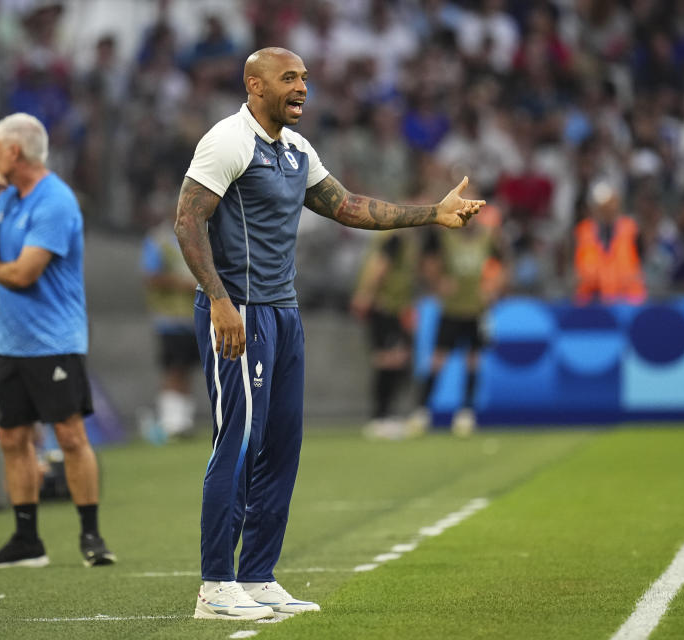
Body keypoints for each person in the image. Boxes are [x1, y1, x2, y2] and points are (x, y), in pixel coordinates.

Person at [175, 47, 484, 620]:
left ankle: (258, 575)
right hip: (239, 310)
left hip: (284, 313)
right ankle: (216, 585)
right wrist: (219, 301)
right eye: (288, 78)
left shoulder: (296, 149)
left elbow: (348, 207)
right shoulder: (227, 141)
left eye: (305, 79)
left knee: (283, 445)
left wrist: (432, 214)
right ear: (254, 85)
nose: (301, 88)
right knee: (238, 444)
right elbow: (187, 219)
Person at [0, 112, 116, 569]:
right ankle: (27, 540)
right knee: (12, 437)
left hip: (55, 340)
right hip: (12, 341)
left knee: (69, 434)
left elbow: (25, 274)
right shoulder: (3, 199)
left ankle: (91, 536)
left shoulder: (56, 201)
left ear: (14, 151)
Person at [408, 221, 508, 437]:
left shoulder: (487, 238)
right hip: (451, 309)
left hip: (476, 310)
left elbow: (503, 264)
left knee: (473, 360)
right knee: (437, 360)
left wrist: (493, 288)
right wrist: (438, 283)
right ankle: (422, 411)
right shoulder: (445, 238)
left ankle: (466, 413)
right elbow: (427, 262)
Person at [350, 228, 420, 439]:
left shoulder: (393, 238)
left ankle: (385, 414)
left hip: (395, 306)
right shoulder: (395, 238)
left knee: (395, 358)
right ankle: (380, 417)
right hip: (385, 306)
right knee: (388, 359)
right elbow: (379, 266)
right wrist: (366, 294)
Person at [140, 207, 199, 438]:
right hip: (169, 318)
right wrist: (181, 282)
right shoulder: (158, 240)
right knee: (173, 368)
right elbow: (150, 276)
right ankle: (170, 422)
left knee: (188, 367)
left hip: (192, 316)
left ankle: (183, 421)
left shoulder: (196, 237)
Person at [573, 181, 647, 305]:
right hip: (591, 302)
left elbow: (641, 259)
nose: (608, 209)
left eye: (610, 203)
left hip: (628, 301)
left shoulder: (631, 229)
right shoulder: (583, 231)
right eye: (603, 205)